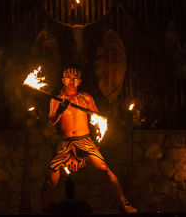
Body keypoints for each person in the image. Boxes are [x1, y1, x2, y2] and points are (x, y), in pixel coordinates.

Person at [41, 68, 138, 213]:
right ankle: (46, 210)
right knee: (50, 177)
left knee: (104, 169)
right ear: (63, 80)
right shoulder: (56, 99)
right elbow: (52, 120)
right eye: (68, 78)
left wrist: (99, 123)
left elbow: (96, 117)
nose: (72, 82)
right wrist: (61, 110)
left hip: (84, 140)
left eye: (75, 79)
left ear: (80, 82)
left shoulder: (86, 98)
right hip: (66, 142)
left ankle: (124, 203)